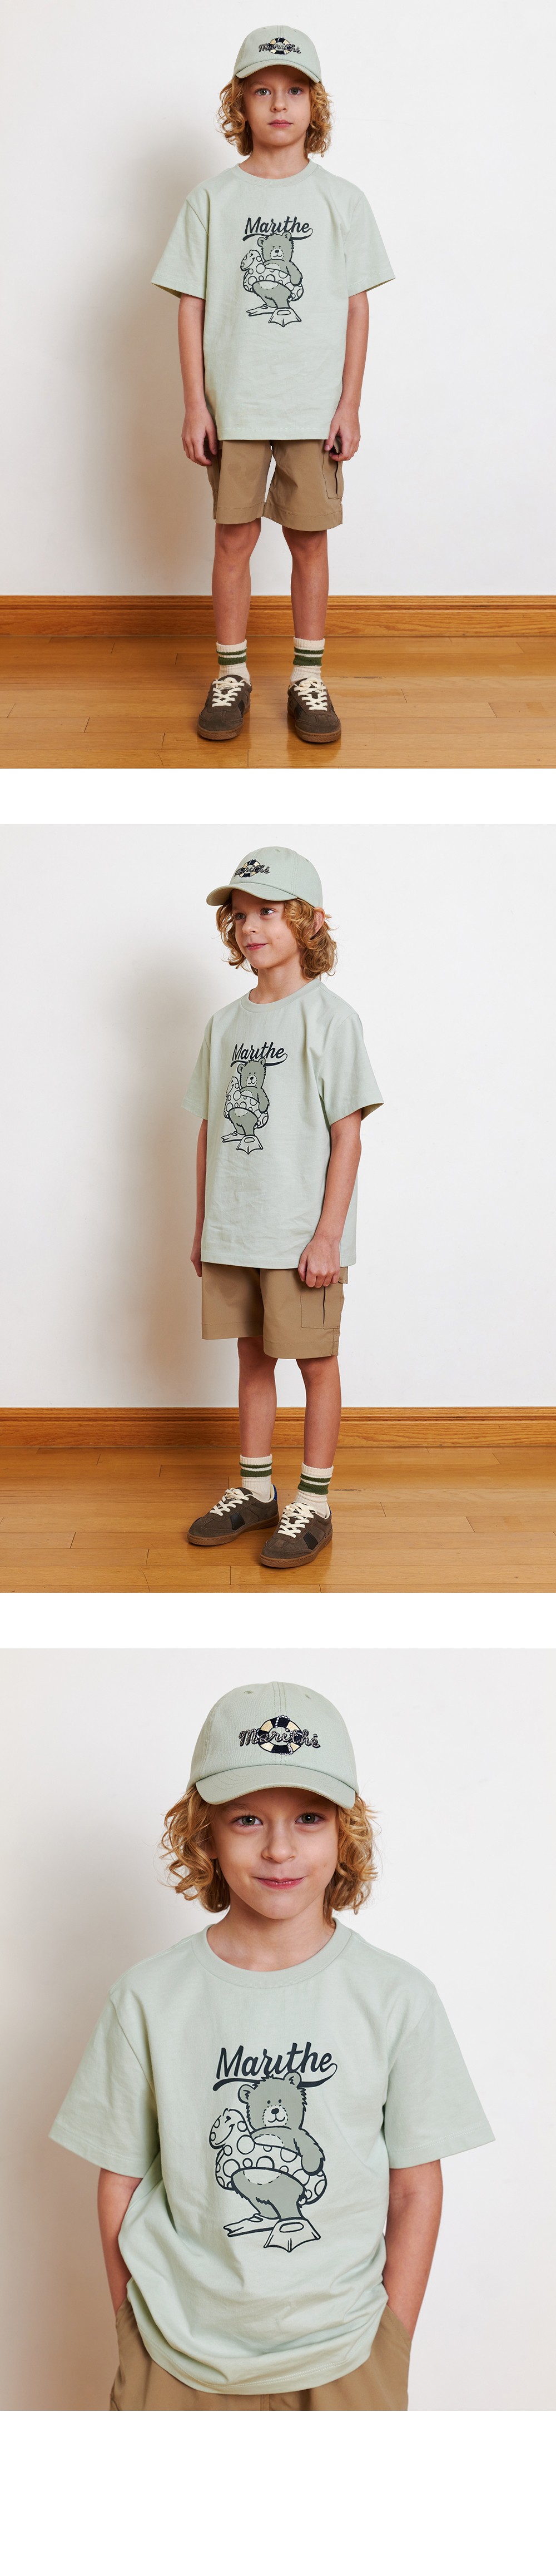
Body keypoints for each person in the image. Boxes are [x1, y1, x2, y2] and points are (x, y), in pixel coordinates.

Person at [50, 1682, 494, 2411]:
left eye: (309, 1818)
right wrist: (131, 2326)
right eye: (248, 1818)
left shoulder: (396, 1997)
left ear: (345, 1832)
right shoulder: (147, 1998)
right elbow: (119, 2181)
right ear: (205, 1833)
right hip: (174, 2351)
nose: (280, 1848)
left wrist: (392, 2340)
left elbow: (415, 2187)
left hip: (348, 2353)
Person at [152, 25, 394, 746]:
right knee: (233, 537)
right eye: (262, 91)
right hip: (235, 407)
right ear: (241, 105)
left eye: (293, 90)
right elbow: (190, 304)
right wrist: (195, 404)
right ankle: (231, 675)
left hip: (313, 408)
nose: (279, 104)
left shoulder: (342, 200)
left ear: (314, 105)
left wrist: (349, 403)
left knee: (309, 540)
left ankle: (308, 678)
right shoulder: (212, 200)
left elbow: (357, 306)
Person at [183, 844, 383, 1571]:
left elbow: (347, 1135)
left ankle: (315, 1501)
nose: (250, 927)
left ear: (309, 922)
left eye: (268, 912)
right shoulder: (224, 1025)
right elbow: (210, 1128)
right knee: (252, 1356)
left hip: (300, 1234)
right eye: (241, 915)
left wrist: (328, 1236)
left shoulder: (330, 1018)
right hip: (235, 1228)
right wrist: (203, 1225)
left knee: (316, 1361)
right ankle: (256, 1489)